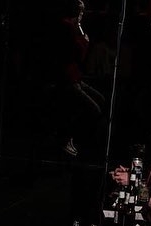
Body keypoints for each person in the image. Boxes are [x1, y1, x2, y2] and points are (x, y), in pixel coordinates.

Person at [47, 0, 106, 157]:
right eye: (80, 12)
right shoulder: (66, 27)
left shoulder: (72, 28)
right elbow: (73, 55)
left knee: (101, 101)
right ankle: (69, 139)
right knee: (93, 109)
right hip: (66, 79)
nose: (82, 16)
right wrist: (84, 43)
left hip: (75, 77)